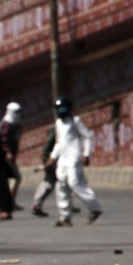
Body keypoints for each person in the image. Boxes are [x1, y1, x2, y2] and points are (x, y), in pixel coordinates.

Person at [48, 96, 102, 227]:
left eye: (63, 108)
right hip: (63, 157)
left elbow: (88, 136)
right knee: (61, 184)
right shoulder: (58, 123)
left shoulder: (75, 121)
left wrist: (86, 154)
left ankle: (94, 208)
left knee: (74, 182)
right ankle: (65, 216)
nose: (61, 111)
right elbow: (59, 142)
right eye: (58, 109)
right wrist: (53, 156)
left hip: (74, 156)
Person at [31, 129, 57, 217]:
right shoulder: (57, 127)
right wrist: (47, 160)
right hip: (51, 158)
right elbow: (48, 145)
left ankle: (37, 204)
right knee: (49, 182)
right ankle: (36, 204)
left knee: (49, 181)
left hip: (52, 158)